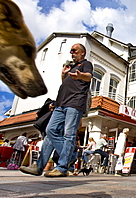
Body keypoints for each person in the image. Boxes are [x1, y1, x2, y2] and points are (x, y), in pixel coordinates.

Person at [20, 43, 93, 177]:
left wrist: (81, 75)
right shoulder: (72, 67)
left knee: (69, 134)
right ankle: (60, 160)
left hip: (75, 104)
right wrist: (64, 74)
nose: (72, 53)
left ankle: (62, 167)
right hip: (60, 104)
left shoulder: (85, 64)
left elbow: (88, 76)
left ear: (82, 52)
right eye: (71, 51)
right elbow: (65, 84)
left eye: (74, 50)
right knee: (50, 131)